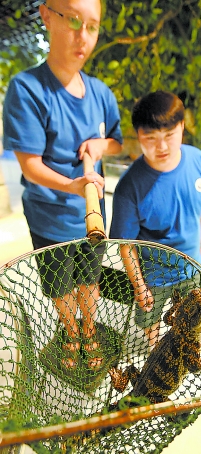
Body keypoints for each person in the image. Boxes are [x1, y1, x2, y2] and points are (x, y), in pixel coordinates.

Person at [2, 0, 123, 370]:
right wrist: (73, 185)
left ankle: (89, 331)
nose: (82, 36)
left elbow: (117, 140)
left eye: (92, 26)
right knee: (60, 286)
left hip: (92, 218)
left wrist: (102, 145)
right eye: (72, 20)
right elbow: (31, 165)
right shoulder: (27, 89)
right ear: (46, 15)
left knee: (90, 280)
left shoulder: (101, 93)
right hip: (50, 217)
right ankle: (70, 332)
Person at [109, 90, 201, 350]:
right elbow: (126, 244)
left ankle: (187, 346)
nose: (162, 147)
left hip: (193, 266)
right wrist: (139, 286)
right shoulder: (129, 187)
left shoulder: (199, 160)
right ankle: (156, 348)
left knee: (193, 317)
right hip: (154, 275)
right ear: (138, 135)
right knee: (150, 321)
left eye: (170, 135)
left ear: (181, 126)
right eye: (151, 138)